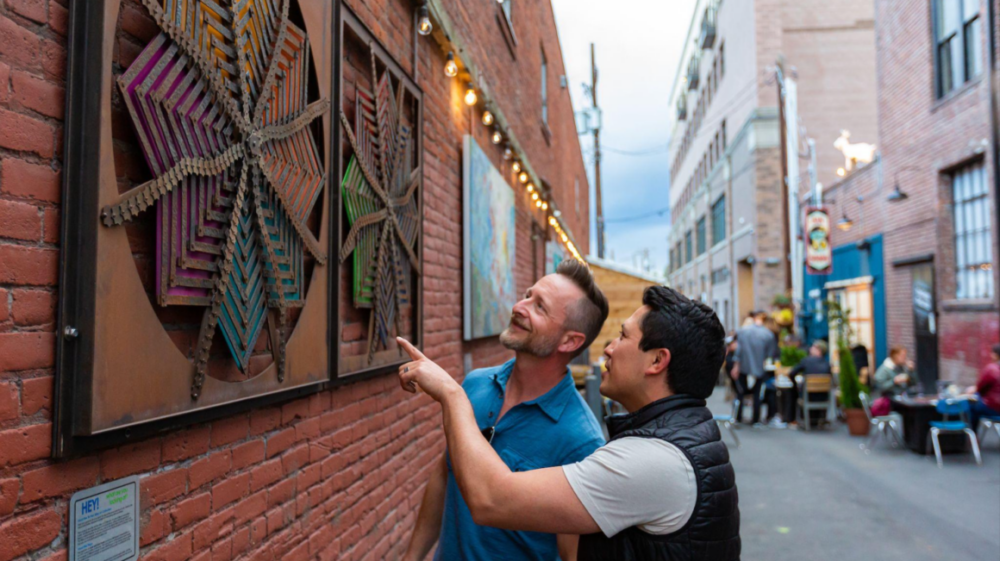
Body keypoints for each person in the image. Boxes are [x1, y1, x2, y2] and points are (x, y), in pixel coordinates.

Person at [398, 286, 741, 561]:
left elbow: (491, 499)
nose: (608, 348)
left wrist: (450, 394)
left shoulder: (653, 461)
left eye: (623, 336)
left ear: (656, 360)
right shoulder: (675, 440)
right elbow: (447, 475)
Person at [401, 260, 609, 561]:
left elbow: (571, 554)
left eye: (540, 307)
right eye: (527, 295)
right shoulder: (475, 385)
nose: (519, 307)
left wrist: (450, 394)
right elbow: (445, 475)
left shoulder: (582, 442)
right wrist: (412, 557)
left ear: (569, 341)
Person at [732, 310, 779, 425]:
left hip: (744, 366)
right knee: (757, 395)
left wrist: (736, 366)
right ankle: (755, 418)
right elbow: (770, 354)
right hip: (759, 368)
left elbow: (738, 350)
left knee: (741, 393)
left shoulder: (743, 331)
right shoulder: (768, 334)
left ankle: (738, 417)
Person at [788, 340, 832, 426]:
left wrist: (796, 385)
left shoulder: (806, 361)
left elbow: (792, 373)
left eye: (813, 347)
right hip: (824, 397)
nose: (811, 348)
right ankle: (821, 419)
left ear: (818, 350)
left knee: (792, 392)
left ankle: (792, 419)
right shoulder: (827, 364)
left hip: (808, 396)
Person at [967, 344, 1000, 430]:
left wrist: (972, 390)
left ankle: (972, 434)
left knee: (971, 405)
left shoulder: (991, 369)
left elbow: (979, 388)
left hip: (993, 408)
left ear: (995, 355)